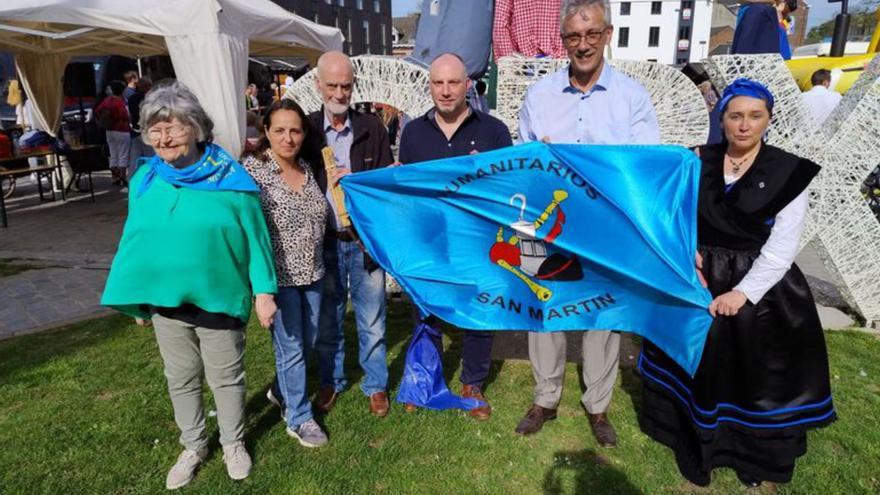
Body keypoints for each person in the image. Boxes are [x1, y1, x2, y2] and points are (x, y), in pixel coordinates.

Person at [638, 78, 835, 488]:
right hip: (699, 279)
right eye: (735, 116)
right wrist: (686, 252)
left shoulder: (787, 172)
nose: (744, 126)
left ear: (768, 119)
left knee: (753, 376)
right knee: (698, 368)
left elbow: (783, 246)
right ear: (722, 118)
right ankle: (696, 448)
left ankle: (753, 459)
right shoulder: (698, 161)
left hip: (761, 290)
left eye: (755, 116)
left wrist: (743, 293)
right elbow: (671, 211)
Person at [100, 81, 278, 490]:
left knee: (226, 377)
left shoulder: (232, 178)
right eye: (154, 130)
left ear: (196, 128)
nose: (163, 138)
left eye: (173, 128)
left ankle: (233, 443)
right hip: (165, 302)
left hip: (219, 296)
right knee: (180, 377)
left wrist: (264, 292)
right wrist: (137, 295)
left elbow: (257, 240)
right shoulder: (145, 178)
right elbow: (136, 239)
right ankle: (194, 445)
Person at [514, 0, 660, 446]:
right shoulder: (538, 96)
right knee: (545, 309)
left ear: (608, 34)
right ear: (562, 41)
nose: (583, 45)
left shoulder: (632, 97)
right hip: (547, 221)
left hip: (607, 227)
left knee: (603, 315)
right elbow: (525, 163)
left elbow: (642, 167)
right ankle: (546, 398)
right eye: (573, 37)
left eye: (591, 34)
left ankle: (597, 407)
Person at [398, 53, 513, 420]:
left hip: (478, 241)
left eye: (453, 83)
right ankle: (423, 379)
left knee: (479, 310)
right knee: (425, 309)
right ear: (429, 86)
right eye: (438, 83)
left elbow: (507, 189)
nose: (445, 91)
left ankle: (473, 381)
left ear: (468, 85)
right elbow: (406, 190)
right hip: (429, 240)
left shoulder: (494, 132)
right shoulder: (412, 133)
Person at [242, 99, 332, 448]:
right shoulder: (253, 171)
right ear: (266, 131)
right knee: (291, 348)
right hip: (278, 279)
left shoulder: (309, 168)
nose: (288, 138)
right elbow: (246, 228)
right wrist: (258, 288)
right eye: (279, 130)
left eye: (295, 130)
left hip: (313, 273)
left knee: (306, 343)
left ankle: (281, 390)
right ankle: (299, 416)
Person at [310, 51, 394, 417]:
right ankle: (331, 381)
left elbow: (385, 185)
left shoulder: (372, 127)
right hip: (325, 240)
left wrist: (362, 181)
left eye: (346, 85)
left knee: (372, 318)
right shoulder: (307, 129)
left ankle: (375, 383)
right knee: (329, 318)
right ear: (318, 85)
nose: (340, 93)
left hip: (362, 241)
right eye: (333, 85)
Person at [731, 0, 797, 60]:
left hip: (762, 16)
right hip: (755, 15)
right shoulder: (756, 11)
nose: (785, 16)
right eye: (784, 13)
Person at [94, 81, 131, 188]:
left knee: (113, 153)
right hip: (122, 130)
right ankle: (122, 177)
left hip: (109, 130)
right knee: (123, 154)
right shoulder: (120, 101)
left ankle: (114, 177)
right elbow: (125, 115)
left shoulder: (107, 100)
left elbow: (97, 111)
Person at [127, 78, 154, 177]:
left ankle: (132, 180)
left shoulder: (131, 98)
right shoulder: (149, 99)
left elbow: (130, 115)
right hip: (147, 131)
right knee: (151, 158)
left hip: (135, 131)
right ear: (147, 87)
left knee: (134, 160)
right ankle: (152, 180)